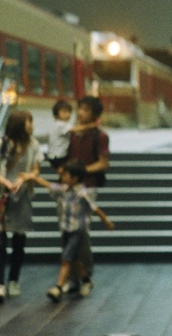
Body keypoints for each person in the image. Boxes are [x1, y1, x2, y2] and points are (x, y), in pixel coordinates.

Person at [25, 161, 114, 302]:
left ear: (75, 178)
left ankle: (58, 287)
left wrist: (106, 221)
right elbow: (49, 185)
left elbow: (94, 208)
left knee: (66, 259)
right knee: (75, 259)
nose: (62, 176)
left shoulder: (81, 193)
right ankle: (86, 280)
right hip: (66, 229)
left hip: (77, 230)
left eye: (66, 175)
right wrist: (32, 178)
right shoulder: (64, 189)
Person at [0, 111, 42, 303]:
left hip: (21, 196)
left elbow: (36, 169)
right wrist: (4, 181)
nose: (31, 126)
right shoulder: (2, 143)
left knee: (19, 242)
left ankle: (13, 280)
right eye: (28, 122)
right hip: (0, 196)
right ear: (18, 124)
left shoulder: (33, 144)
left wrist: (24, 178)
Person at [63, 95, 110, 294]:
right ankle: (73, 279)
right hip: (67, 189)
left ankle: (86, 275)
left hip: (87, 187)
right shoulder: (71, 134)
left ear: (94, 115)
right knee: (67, 234)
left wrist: (81, 172)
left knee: (81, 234)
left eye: (86, 110)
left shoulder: (100, 136)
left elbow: (103, 163)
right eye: (79, 108)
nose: (80, 113)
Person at [47, 99, 73, 170]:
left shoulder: (62, 124)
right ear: (56, 114)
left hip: (55, 155)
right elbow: (75, 130)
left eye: (69, 112)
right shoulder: (60, 124)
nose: (67, 114)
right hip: (58, 155)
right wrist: (90, 125)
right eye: (64, 112)